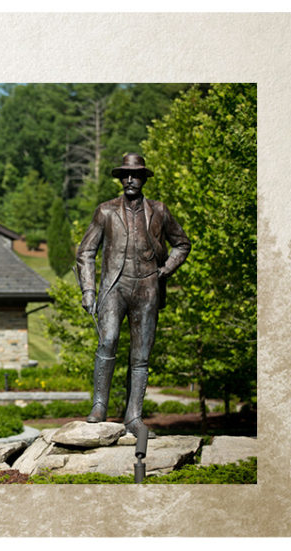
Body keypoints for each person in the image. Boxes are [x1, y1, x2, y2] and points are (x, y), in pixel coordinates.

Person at [76, 153, 191, 438]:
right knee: (109, 339)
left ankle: (134, 416)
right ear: (120, 179)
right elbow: (86, 252)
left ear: (143, 179)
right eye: (125, 175)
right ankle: (99, 405)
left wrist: (165, 270)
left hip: (148, 288)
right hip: (115, 287)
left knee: (141, 356)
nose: (130, 180)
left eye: (136, 175)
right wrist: (89, 290)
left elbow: (182, 244)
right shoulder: (105, 211)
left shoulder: (160, 211)